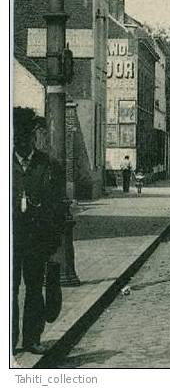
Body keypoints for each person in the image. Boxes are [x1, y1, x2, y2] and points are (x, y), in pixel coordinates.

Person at [12, 108, 65, 355]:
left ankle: (32, 339)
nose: (22, 141)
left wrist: (54, 246)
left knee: (34, 290)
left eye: (26, 136)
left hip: (36, 241)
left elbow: (56, 207)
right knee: (8, 291)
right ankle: (9, 340)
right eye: (17, 137)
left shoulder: (47, 165)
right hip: (10, 241)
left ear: (33, 136)